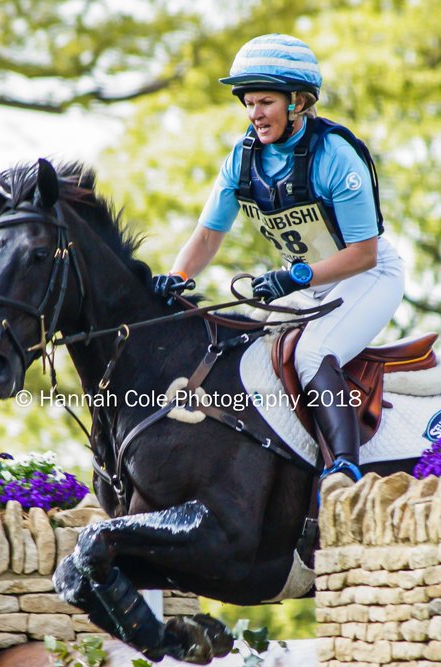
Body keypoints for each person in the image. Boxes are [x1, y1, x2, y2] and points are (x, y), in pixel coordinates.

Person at [152, 33, 406, 484]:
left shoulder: (336, 156)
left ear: (299, 103)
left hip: (368, 275)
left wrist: (297, 276)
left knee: (312, 355)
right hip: (307, 283)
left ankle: (345, 472)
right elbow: (209, 235)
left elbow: (363, 254)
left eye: (265, 102)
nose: (254, 114)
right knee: (245, 352)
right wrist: (178, 275)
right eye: (248, 103)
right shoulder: (242, 159)